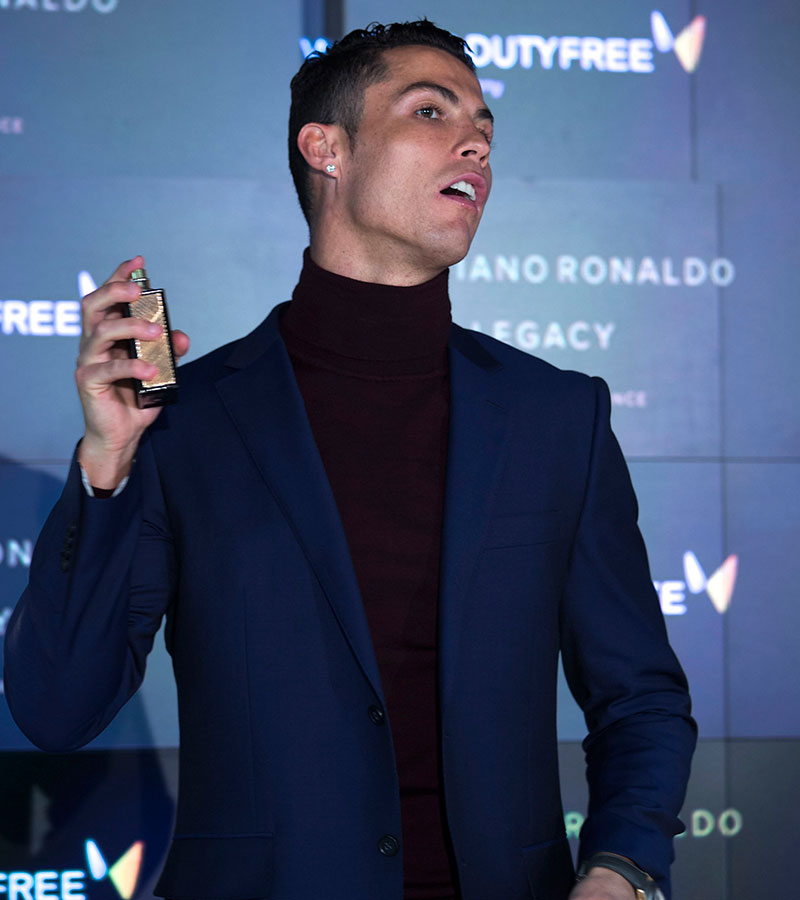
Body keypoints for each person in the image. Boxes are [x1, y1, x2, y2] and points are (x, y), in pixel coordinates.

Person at [4, 20, 696, 900]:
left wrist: (621, 868)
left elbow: (641, 699)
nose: (476, 141)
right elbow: (57, 709)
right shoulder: (186, 423)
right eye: (431, 111)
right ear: (326, 149)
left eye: (483, 123)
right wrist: (106, 464)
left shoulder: (558, 417)